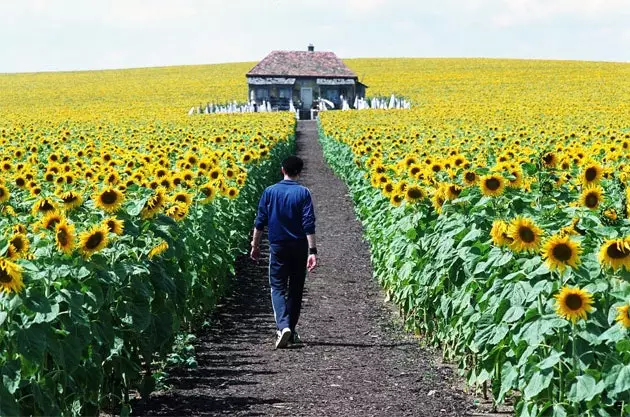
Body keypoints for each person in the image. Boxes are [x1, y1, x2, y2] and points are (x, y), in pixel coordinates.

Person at [250, 155, 318, 349]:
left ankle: (283, 326)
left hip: (278, 246)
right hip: (299, 247)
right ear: (300, 172)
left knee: (277, 287)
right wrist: (312, 250)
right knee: (296, 290)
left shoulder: (270, 192)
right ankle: (291, 330)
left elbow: (260, 222)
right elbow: (308, 223)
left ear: (282, 170)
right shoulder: (303, 193)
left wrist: (255, 246)